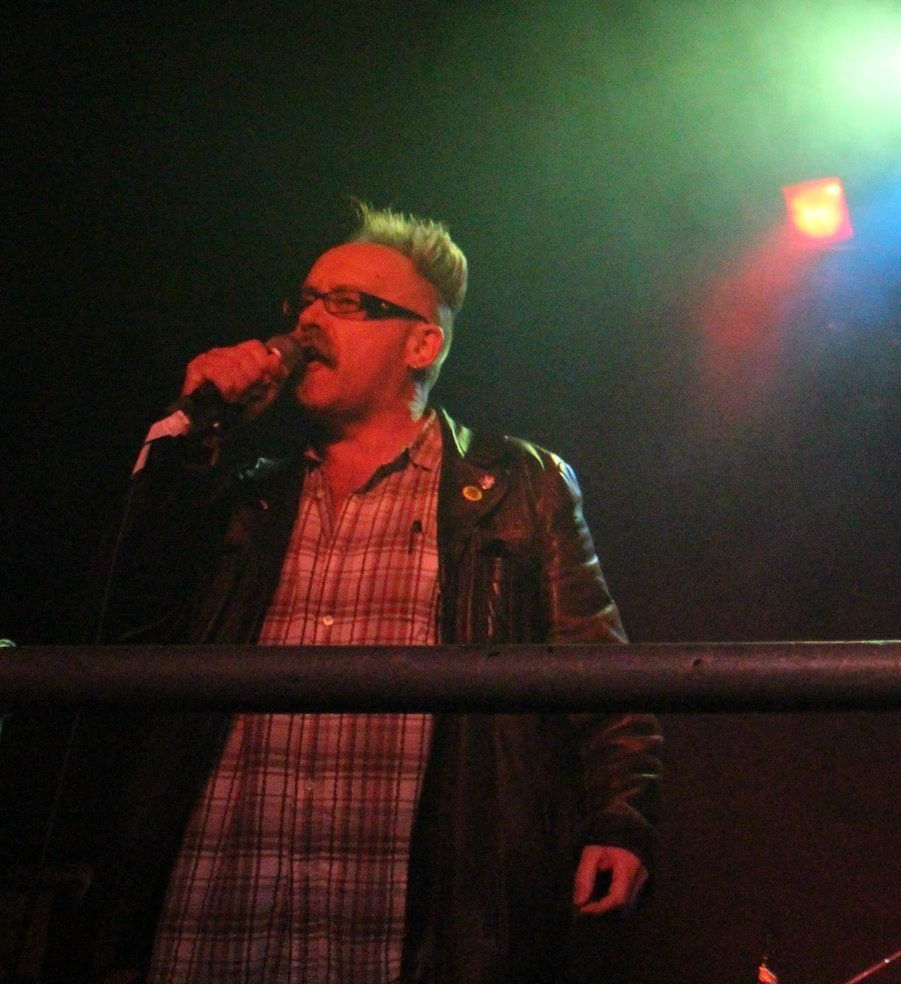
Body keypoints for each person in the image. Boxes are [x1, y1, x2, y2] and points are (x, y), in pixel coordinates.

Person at [89, 203, 662, 983]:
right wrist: (200, 436)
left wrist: (620, 818)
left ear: (422, 342)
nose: (311, 320)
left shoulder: (516, 486)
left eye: (348, 304)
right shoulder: (243, 499)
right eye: (307, 301)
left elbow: (600, 666)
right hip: (223, 907)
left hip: (402, 919)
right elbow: (122, 612)